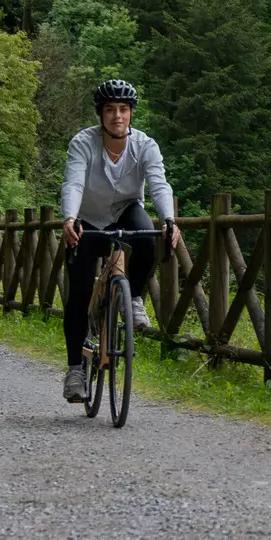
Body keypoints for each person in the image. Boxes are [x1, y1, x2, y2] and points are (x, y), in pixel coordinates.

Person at [58, 79, 180, 403]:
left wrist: (169, 220)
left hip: (126, 210)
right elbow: (72, 183)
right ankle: (75, 370)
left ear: (131, 114)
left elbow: (159, 184)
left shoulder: (145, 146)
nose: (117, 116)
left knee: (145, 237)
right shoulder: (83, 143)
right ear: (101, 115)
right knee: (81, 291)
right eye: (110, 110)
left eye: (123, 109)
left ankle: (134, 297)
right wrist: (69, 219)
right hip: (88, 219)